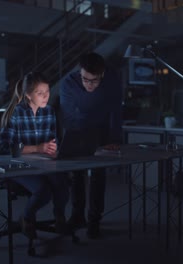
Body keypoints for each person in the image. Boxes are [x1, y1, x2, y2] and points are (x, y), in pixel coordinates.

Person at [59, 52, 123, 239]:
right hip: (77, 128)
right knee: (77, 173)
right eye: (85, 79)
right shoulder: (68, 83)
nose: (89, 84)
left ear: (102, 74)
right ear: (80, 72)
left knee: (98, 174)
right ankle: (78, 215)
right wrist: (78, 141)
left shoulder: (111, 79)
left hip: (102, 128)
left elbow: (116, 110)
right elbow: (68, 117)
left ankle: (94, 219)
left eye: (94, 81)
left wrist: (114, 139)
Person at [0, 72, 69, 238]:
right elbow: (4, 147)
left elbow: (52, 141)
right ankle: (26, 218)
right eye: (40, 93)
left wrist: (54, 149)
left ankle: (59, 217)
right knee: (43, 191)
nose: (46, 96)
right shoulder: (15, 113)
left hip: (43, 163)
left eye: (47, 92)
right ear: (28, 95)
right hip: (17, 165)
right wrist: (37, 148)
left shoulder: (49, 111)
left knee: (62, 185)